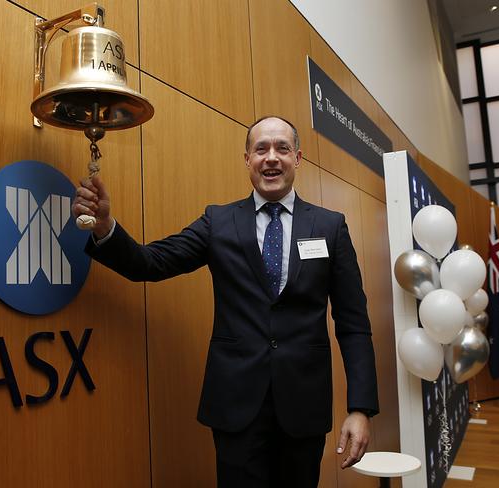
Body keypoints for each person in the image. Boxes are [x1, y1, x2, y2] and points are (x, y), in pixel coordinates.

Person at [72, 116, 378, 488]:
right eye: (261, 148)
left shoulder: (330, 227)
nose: (271, 157)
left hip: (303, 409)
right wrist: (105, 227)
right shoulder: (218, 222)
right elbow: (150, 263)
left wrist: (360, 408)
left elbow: (353, 322)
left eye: (282, 148)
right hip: (236, 407)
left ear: (298, 158)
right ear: (246, 159)